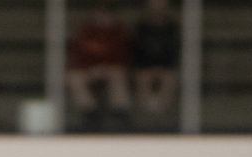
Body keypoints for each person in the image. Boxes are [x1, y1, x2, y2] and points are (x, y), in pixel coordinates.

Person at [67, 3, 133, 131]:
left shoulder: (120, 33)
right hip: (90, 71)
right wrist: (91, 69)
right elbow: (77, 56)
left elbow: (124, 57)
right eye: (101, 14)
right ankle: (90, 114)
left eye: (107, 14)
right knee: (74, 77)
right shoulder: (85, 32)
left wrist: (106, 68)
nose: (104, 18)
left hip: (112, 70)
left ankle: (121, 114)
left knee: (118, 74)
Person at [130, 0, 181, 121]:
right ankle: (147, 113)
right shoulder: (140, 27)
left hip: (166, 67)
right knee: (142, 77)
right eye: (154, 5)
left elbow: (174, 51)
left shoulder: (172, 28)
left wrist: (162, 67)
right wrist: (148, 67)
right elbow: (137, 51)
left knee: (170, 78)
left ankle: (160, 113)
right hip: (144, 67)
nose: (157, 9)